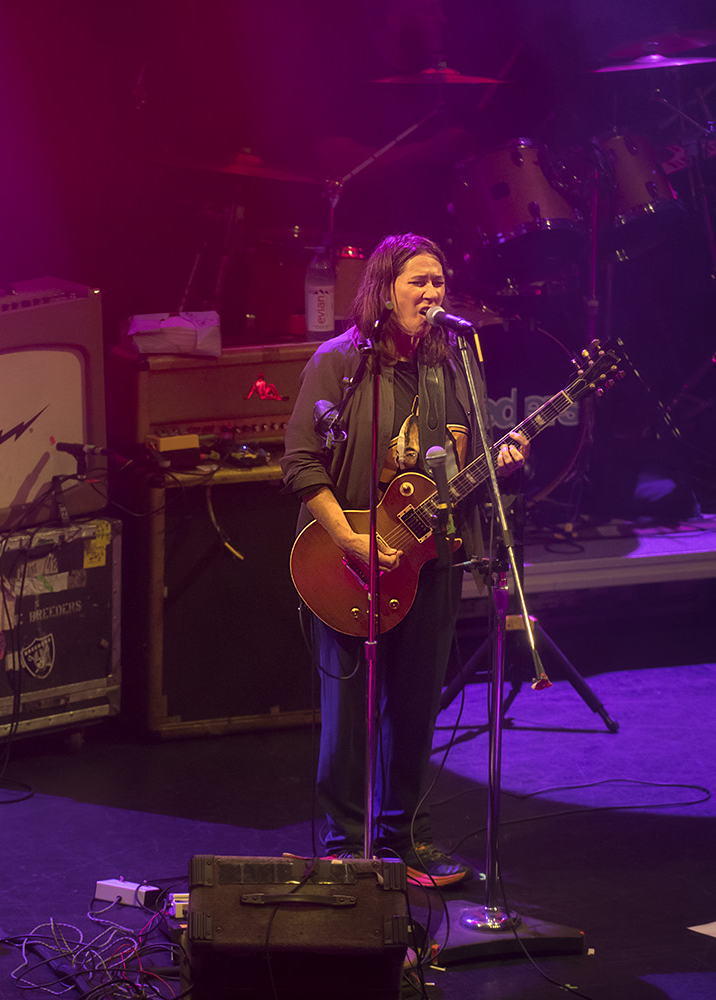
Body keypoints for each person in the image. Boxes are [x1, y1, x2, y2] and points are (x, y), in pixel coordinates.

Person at [280, 233, 525, 888]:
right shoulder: (341, 362)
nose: (432, 293)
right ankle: (341, 847)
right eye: (419, 281)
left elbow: (464, 460)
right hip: (350, 559)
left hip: (433, 559)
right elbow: (301, 460)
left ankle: (402, 844)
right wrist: (347, 535)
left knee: (416, 709)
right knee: (350, 716)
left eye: (440, 282)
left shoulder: (457, 363)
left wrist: (498, 464)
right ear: (384, 289)